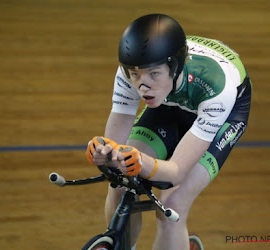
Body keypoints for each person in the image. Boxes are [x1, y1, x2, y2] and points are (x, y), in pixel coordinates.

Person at [86, 13, 251, 250]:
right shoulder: (129, 73)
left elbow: (175, 172)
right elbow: (116, 139)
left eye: (154, 74)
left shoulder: (217, 89)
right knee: (121, 182)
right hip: (169, 101)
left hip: (222, 109)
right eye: (136, 75)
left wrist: (141, 162)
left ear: (175, 66)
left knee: (172, 202)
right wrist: (107, 153)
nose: (143, 85)